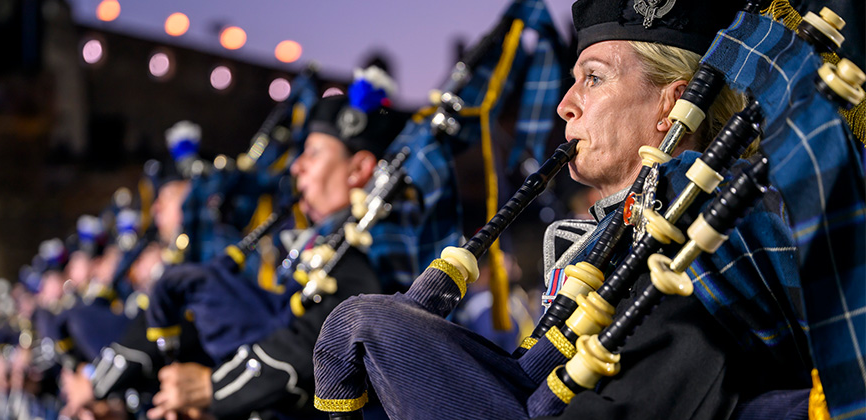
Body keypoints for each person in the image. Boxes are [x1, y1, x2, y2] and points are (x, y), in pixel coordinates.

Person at [310, 1, 812, 419]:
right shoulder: (617, 236)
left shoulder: (710, 232)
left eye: (593, 79)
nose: (566, 105)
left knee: (362, 323)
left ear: (671, 105)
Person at [147, 68, 418, 420]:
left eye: (314, 153)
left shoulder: (372, 250)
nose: (297, 168)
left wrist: (212, 388)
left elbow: (320, 343)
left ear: (358, 170)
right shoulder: (325, 246)